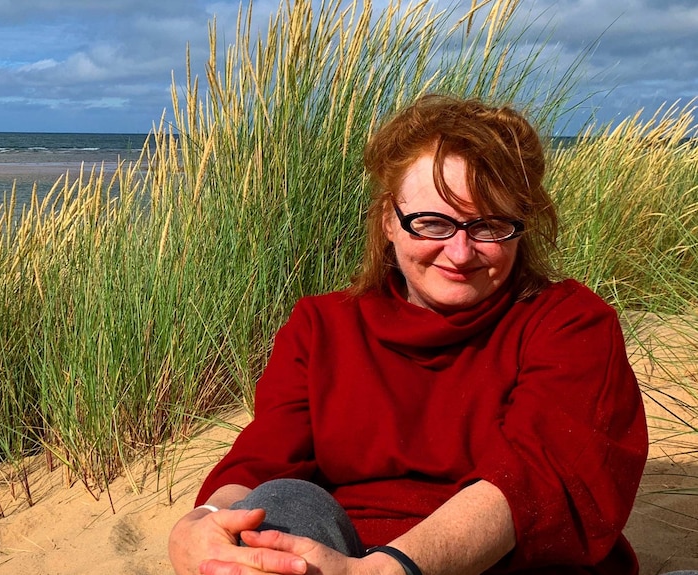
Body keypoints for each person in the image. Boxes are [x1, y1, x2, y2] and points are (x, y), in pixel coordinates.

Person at [168, 94, 655, 575]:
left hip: (503, 560)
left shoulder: (570, 323)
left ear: (521, 228)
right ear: (389, 223)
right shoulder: (321, 326)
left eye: (489, 226)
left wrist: (388, 570)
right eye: (432, 223)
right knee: (281, 503)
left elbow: (536, 481)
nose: (460, 253)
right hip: (338, 553)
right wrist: (201, 524)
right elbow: (263, 459)